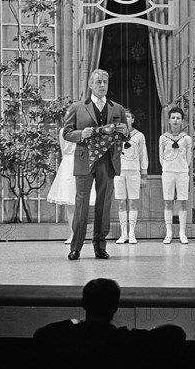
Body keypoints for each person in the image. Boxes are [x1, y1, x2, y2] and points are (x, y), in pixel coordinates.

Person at [33, 278, 186, 367]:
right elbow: (176, 333)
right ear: (115, 307)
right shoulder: (124, 340)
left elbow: (40, 335)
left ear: (84, 304)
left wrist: (71, 323)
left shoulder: (65, 336)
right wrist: (153, 329)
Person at [63, 69, 128, 260]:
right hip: (85, 160)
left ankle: (100, 245)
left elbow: (126, 136)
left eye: (105, 82)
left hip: (107, 161)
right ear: (90, 85)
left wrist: (125, 131)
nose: (102, 85)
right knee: (81, 204)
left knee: (104, 205)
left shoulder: (118, 109)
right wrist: (81, 134)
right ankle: (76, 247)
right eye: (98, 82)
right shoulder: (77, 107)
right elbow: (67, 133)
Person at [46, 126, 97, 245]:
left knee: (83, 200)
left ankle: (81, 233)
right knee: (69, 201)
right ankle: (72, 233)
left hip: (84, 161)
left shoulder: (87, 129)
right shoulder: (63, 131)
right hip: (68, 163)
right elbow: (63, 149)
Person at [115, 108, 149, 244]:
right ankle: (124, 234)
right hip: (119, 172)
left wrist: (144, 174)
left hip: (134, 172)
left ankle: (132, 234)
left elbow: (143, 155)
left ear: (133, 119)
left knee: (133, 201)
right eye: (124, 116)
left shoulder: (139, 136)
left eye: (128, 116)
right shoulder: (115, 135)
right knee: (121, 202)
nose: (126, 119)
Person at [159, 107, 192, 244]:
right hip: (167, 172)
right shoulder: (163, 137)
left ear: (182, 121)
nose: (175, 120)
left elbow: (189, 158)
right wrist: (167, 167)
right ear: (169, 120)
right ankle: (169, 233)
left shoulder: (187, 138)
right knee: (168, 201)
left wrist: (183, 167)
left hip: (182, 172)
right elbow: (161, 157)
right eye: (173, 118)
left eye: (178, 118)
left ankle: (182, 233)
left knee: (182, 201)